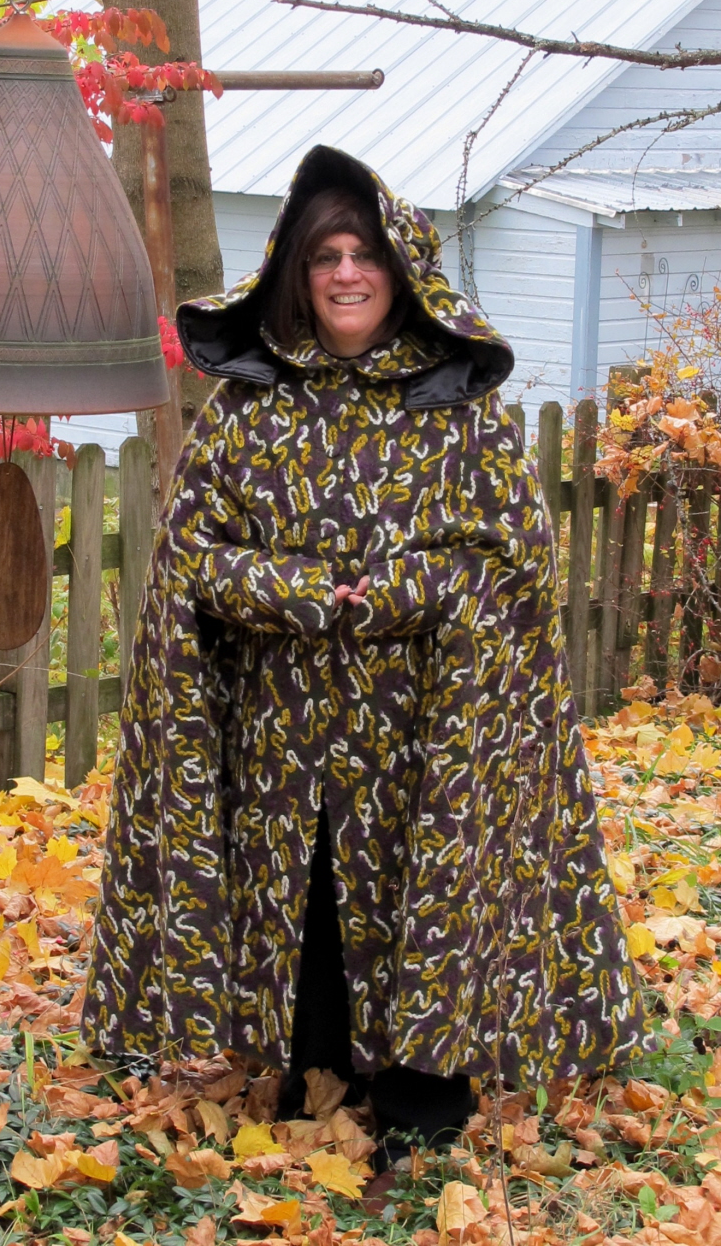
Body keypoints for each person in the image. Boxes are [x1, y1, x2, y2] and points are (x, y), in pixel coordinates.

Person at [82, 145, 647, 1152]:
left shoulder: (459, 413)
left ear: (403, 269)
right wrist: (299, 591)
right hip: (284, 723)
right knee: (310, 897)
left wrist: (397, 592)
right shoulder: (250, 410)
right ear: (297, 273)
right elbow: (190, 559)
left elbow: (514, 562)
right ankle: (317, 1077)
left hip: (425, 725)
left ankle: (423, 1096)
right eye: (325, 256)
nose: (346, 273)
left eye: (365, 254)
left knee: (419, 887)